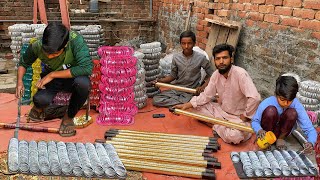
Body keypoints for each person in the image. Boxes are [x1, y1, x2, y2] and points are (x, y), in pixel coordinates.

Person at [15, 22, 93, 137]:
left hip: (74, 78)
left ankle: (68, 118)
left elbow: (87, 68)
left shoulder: (75, 42)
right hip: (52, 80)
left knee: (83, 84)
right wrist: (20, 82)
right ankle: (40, 108)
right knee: (40, 100)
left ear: (65, 45)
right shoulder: (37, 45)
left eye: (55, 54)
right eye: (47, 53)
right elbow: (24, 62)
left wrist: (52, 74)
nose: (50, 57)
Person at [174, 44, 261, 144]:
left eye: (225, 58)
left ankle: (214, 125)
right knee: (194, 108)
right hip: (221, 111)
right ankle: (221, 126)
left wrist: (247, 115)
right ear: (214, 61)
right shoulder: (216, 74)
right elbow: (206, 95)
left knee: (235, 136)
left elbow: (255, 97)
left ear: (231, 59)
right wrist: (186, 105)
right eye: (218, 59)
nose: (221, 62)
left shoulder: (240, 74)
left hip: (238, 117)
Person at [252, 75, 316, 152]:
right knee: (270, 111)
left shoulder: (296, 105)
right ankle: (266, 140)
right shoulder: (267, 103)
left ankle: (280, 138)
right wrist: (259, 130)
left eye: (289, 100)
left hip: (282, 133)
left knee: (292, 112)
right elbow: (255, 121)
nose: (286, 103)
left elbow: (309, 129)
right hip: (267, 132)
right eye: (282, 99)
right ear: (276, 94)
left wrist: (311, 142)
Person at [152, 31, 214, 107]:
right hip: (177, 88)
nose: (186, 46)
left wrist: (202, 87)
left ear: (194, 43)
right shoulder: (176, 57)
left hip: (191, 90)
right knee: (156, 100)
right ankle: (187, 103)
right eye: (183, 43)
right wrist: (160, 81)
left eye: (189, 43)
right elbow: (172, 76)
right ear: (180, 44)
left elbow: (212, 75)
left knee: (208, 99)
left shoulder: (201, 58)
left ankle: (188, 102)